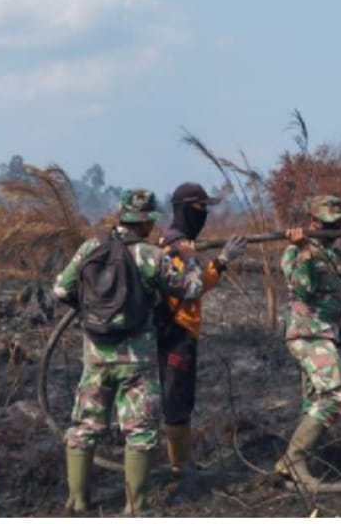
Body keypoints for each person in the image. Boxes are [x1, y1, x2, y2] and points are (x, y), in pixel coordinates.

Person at [53, 188, 208, 515]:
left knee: (84, 429)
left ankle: (78, 502)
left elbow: (60, 289)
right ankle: (134, 507)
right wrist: (192, 259)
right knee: (140, 433)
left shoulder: (90, 248)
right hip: (137, 362)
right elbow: (191, 289)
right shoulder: (151, 256)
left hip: (95, 357)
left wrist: (90, 314)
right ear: (147, 221)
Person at [276, 194, 341, 486]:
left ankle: (301, 467)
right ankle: (293, 459)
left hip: (326, 333)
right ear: (314, 222)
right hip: (308, 334)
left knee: (315, 401)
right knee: (334, 397)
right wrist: (304, 249)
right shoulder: (294, 253)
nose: (335, 230)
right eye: (329, 224)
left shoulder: (333, 253)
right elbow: (304, 289)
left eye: (340, 224)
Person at [155, 183, 248, 482]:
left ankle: (182, 462)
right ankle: (179, 468)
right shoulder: (174, 247)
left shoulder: (180, 244)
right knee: (176, 401)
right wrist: (213, 260)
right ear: (185, 210)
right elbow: (191, 288)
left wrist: (220, 262)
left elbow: (196, 284)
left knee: (181, 398)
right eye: (200, 209)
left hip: (183, 332)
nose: (204, 214)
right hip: (175, 332)